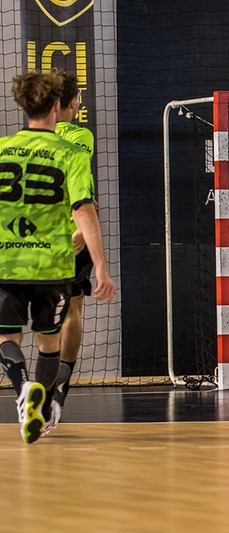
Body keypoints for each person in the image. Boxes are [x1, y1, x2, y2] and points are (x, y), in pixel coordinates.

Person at [0, 70, 115, 444]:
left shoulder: (2, 149)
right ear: (56, 106)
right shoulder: (72, 151)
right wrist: (101, 266)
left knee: (6, 336)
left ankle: (23, 389)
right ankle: (48, 398)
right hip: (54, 263)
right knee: (49, 342)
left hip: (9, 262)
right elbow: (84, 207)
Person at [43, 69, 98, 435]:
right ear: (74, 102)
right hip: (75, 233)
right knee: (74, 307)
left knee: (44, 314)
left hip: (39, 238)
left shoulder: (31, 140)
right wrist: (81, 228)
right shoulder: (81, 136)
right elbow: (79, 188)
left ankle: (40, 385)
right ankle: (58, 385)